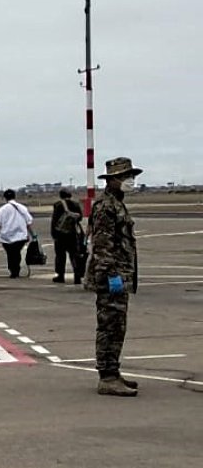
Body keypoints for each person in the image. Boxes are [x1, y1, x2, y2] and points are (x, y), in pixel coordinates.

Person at [86, 157, 142, 396]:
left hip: (119, 274)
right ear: (113, 180)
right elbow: (101, 246)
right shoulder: (106, 206)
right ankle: (107, 377)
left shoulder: (116, 204)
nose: (131, 181)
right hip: (111, 277)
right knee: (109, 326)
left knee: (117, 326)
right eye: (127, 176)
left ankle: (113, 371)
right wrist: (111, 276)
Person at [0, 189, 34, 279]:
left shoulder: (2, 209)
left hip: (6, 236)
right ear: (15, 196)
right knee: (16, 252)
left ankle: (12, 269)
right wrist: (32, 234)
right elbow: (28, 222)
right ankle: (16, 268)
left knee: (10, 253)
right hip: (20, 235)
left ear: (5, 198)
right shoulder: (22, 208)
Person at [51, 188, 85, 285]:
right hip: (73, 234)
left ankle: (60, 276)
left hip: (60, 235)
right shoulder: (75, 204)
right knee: (74, 255)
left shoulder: (58, 205)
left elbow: (55, 221)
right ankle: (77, 276)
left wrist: (54, 234)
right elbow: (80, 218)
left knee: (60, 256)